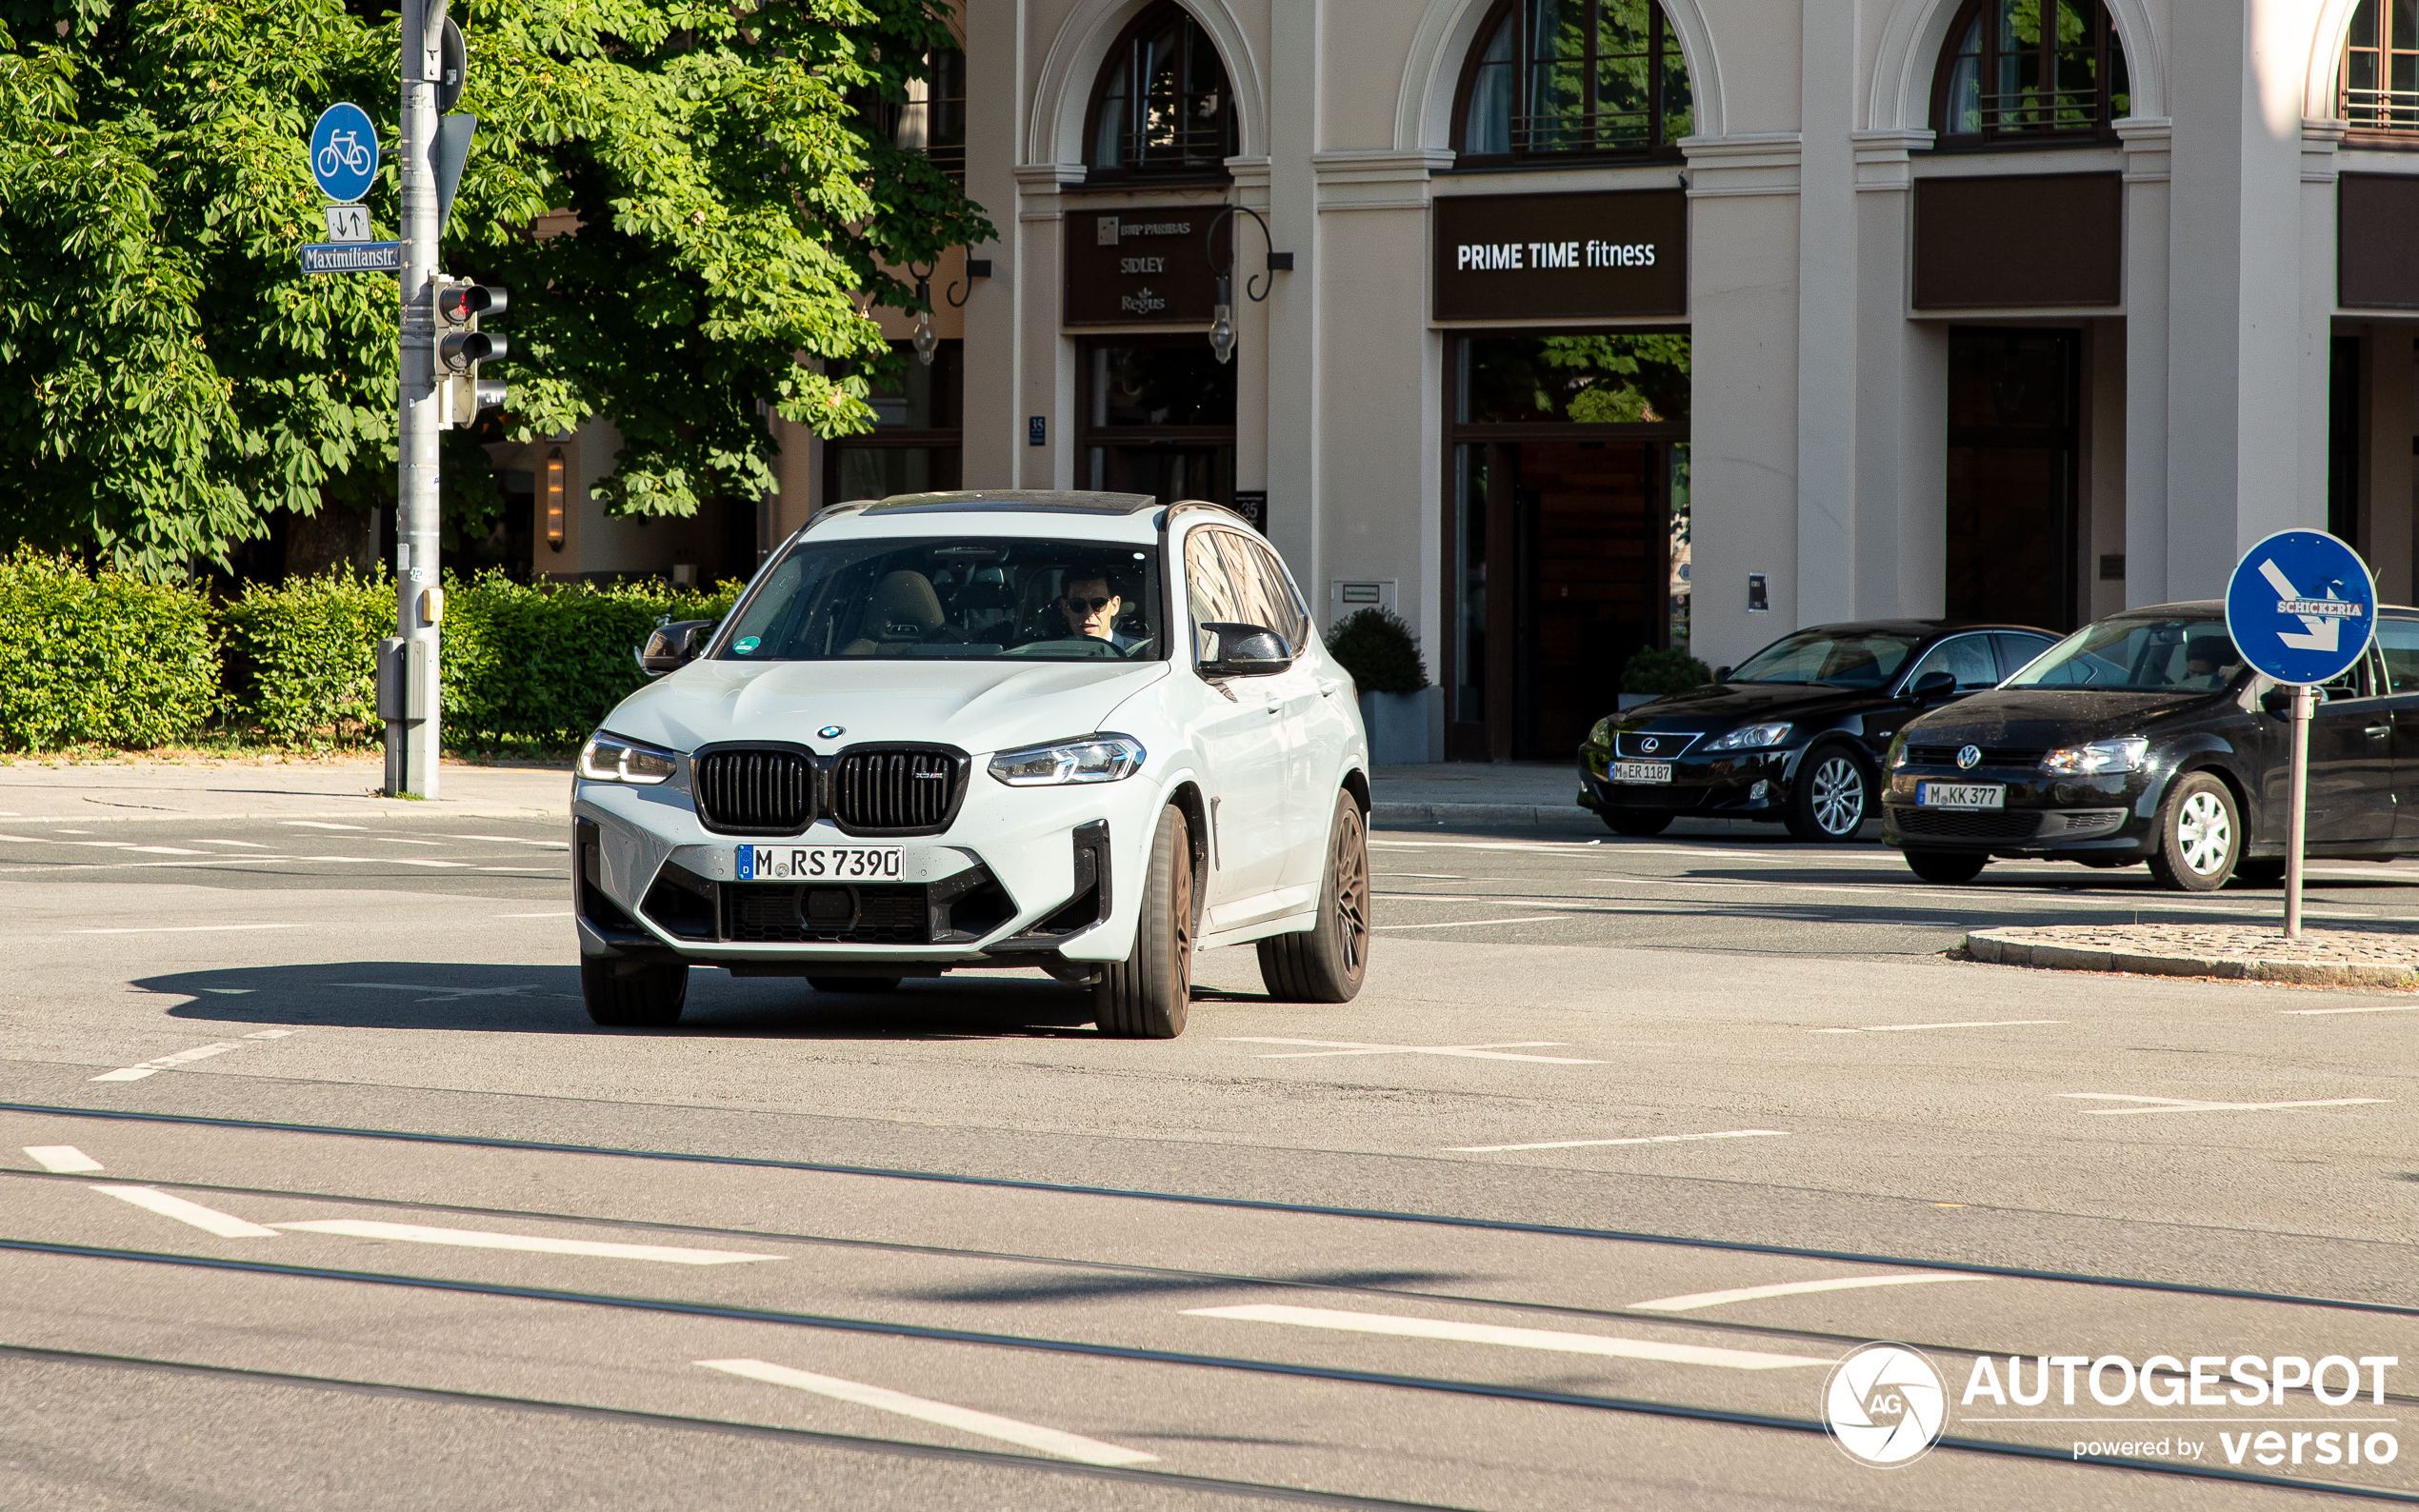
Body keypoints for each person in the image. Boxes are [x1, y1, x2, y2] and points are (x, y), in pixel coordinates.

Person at [1057, 567, 1142, 651]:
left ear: (1114, 605)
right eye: (1077, 604)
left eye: (1098, 603)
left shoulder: (1139, 654)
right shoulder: (1052, 654)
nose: (1088, 614)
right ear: (1065, 607)